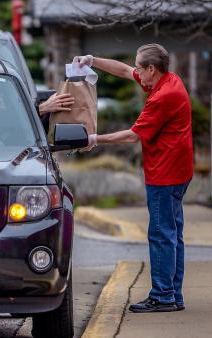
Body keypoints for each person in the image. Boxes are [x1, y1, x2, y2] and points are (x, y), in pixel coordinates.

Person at [74, 44, 193, 313]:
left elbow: (132, 135)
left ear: (152, 69)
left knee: (161, 234)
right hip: (179, 170)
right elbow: (125, 71)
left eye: (141, 67)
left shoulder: (163, 96)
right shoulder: (169, 79)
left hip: (165, 173)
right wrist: (93, 60)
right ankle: (173, 294)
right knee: (173, 234)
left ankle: (163, 296)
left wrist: (93, 139)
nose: (136, 71)